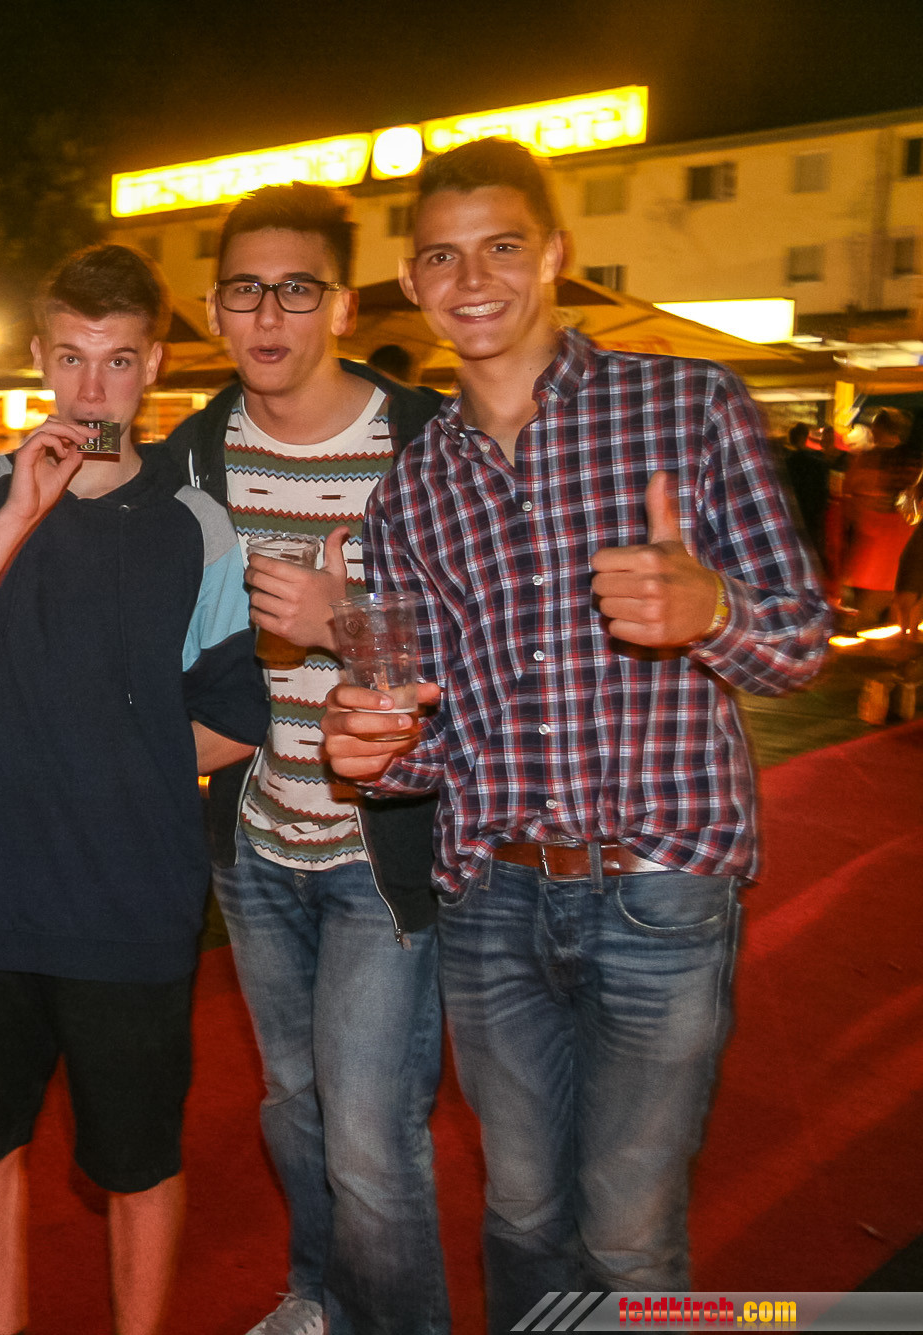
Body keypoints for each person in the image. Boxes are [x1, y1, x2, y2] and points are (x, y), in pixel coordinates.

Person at [320, 139, 828, 1334]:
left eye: (500, 246)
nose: (471, 279)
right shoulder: (409, 491)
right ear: (412, 280)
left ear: (551, 253)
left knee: (626, 1233)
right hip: (490, 897)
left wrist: (711, 611)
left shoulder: (685, 407)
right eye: (441, 257)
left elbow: (799, 643)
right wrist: (373, 751)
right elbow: (436, 730)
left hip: (658, 888)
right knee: (519, 1211)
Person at [0, 243, 268, 1335]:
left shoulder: (194, 522)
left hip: (131, 900)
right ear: (38, 357)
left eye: (118, 361)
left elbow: (236, 715)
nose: (92, 390)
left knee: (138, 1162)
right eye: (70, 359)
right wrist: (19, 511)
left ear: (155, 364)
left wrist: (112, 762)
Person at [164, 182, 448, 1335]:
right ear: (211, 310)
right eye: (244, 289)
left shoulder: (426, 442)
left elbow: (496, 644)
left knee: (370, 1140)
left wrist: (347, 623)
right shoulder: (190, 459)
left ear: (340, 303)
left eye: (295, 288)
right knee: (291, 1100)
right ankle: (317, 1298)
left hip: (384, 844)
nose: (267, 313)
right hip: (253, 839)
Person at [833, 409, 920, 628]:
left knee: (871, 607)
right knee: (897, 608)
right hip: (902, 539)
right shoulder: (913, 460)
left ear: (880, 428)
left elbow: (851, 496)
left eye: (875, 427)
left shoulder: (869, 458)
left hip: (874, 541)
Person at [780, 422, 830, 565]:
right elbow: (823, 490)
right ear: (805, 437)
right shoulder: (817, 461)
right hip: (812, 513)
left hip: (792, 513)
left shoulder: (785, 463)